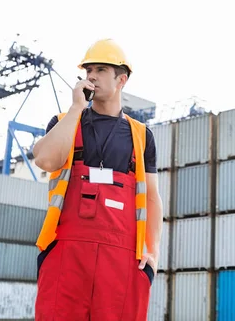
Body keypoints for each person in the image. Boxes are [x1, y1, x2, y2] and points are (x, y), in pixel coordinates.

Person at [32, 39, 162, 321]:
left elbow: (152, 196)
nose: (91, 76)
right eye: (88, 69)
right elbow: (45, 160)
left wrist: (153, 254)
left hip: (123, 260)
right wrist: (76, 109)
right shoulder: (64, 122)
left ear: (121, 80)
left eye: (101, 69)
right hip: (66, 253)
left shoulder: (141, 136)